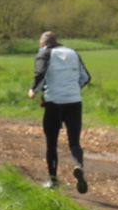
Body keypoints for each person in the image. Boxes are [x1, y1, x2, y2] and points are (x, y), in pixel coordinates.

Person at [29, 30, 91, 193]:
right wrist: (71, 89)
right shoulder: (72, 52)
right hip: (74, 101)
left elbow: (40, 74)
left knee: (51, 143)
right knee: (75, 142)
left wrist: (33, 90)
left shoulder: (44, 53)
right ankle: (79, 166)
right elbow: (85, 77)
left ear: (42, 44)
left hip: (54, 102)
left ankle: (53, 180)